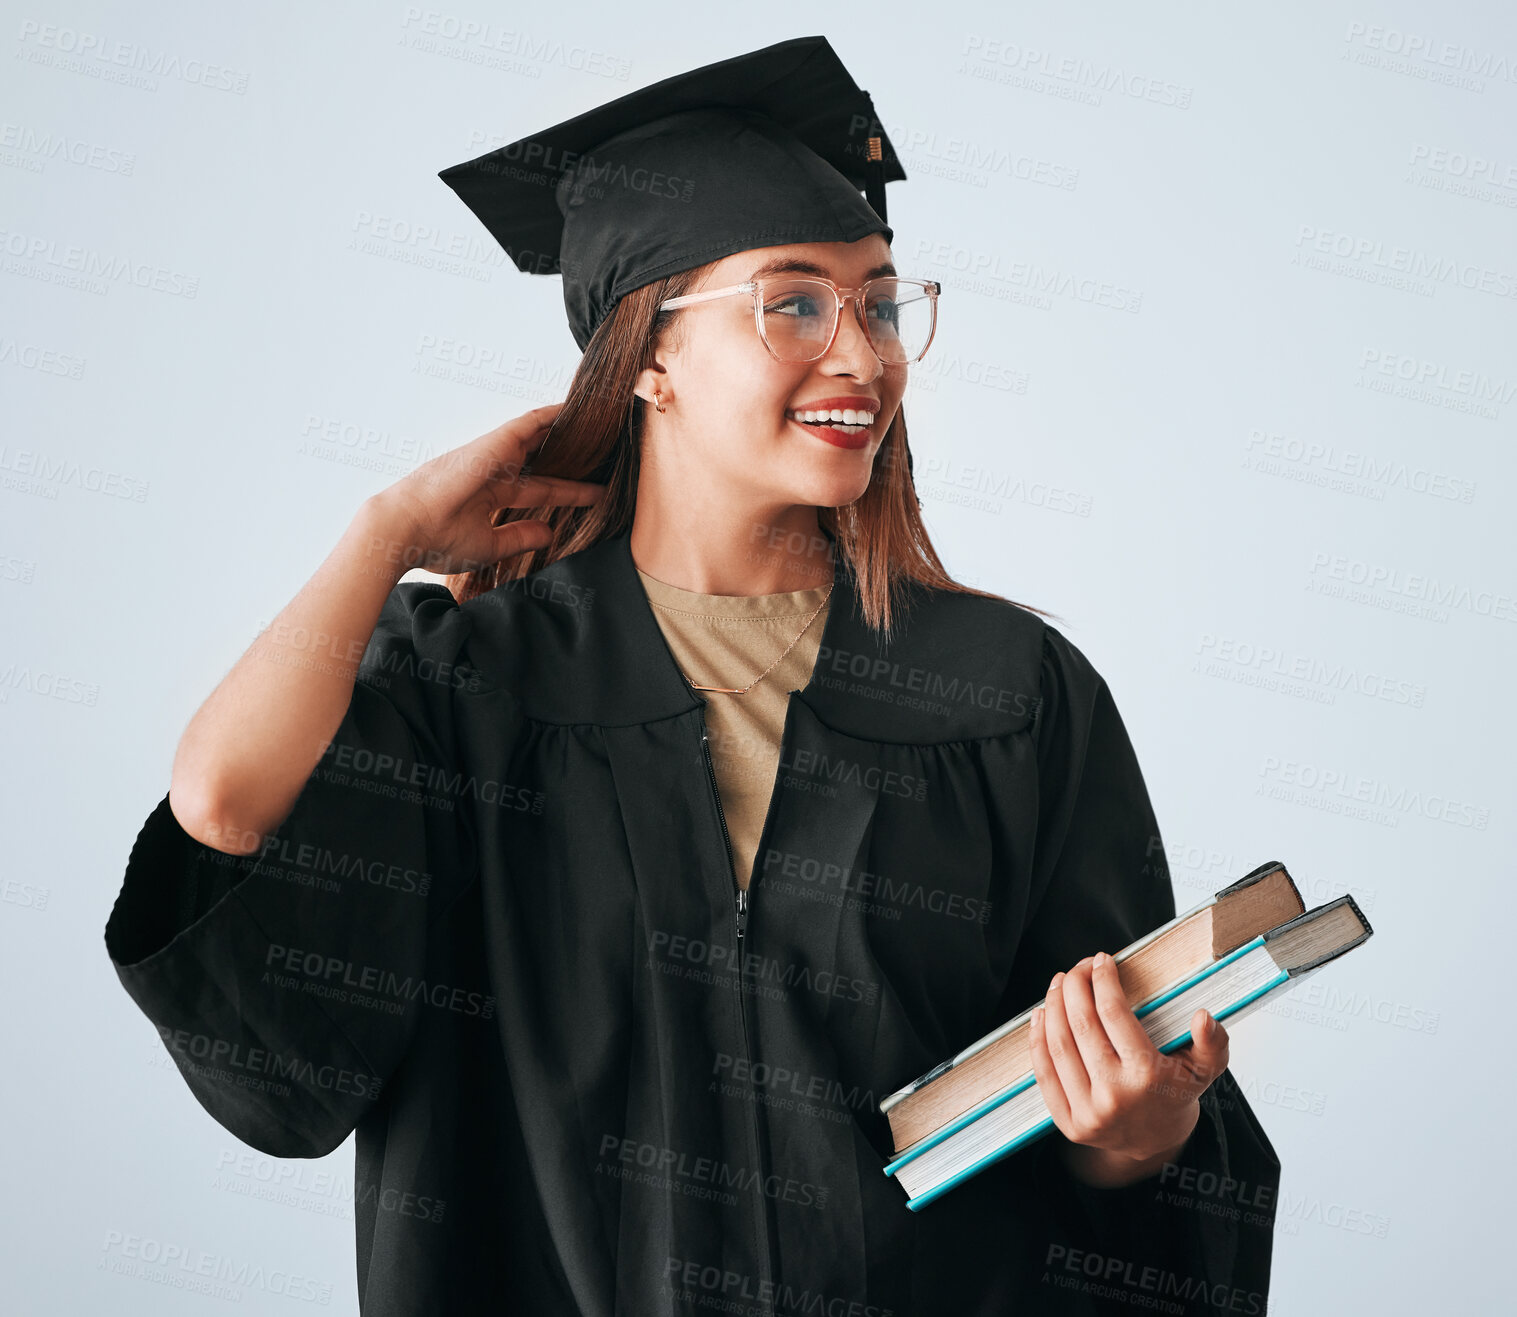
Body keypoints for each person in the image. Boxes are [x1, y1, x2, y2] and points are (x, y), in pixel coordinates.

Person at [103, 36, 1280, 1317]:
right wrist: (383, 530)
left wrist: (1138, 1132)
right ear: (650, 353)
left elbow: (1124, 1126)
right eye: (793, 302)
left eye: (880, 304)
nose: (861, 354)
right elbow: (220, 812)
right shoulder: (468, 687)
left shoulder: (1005, 693)